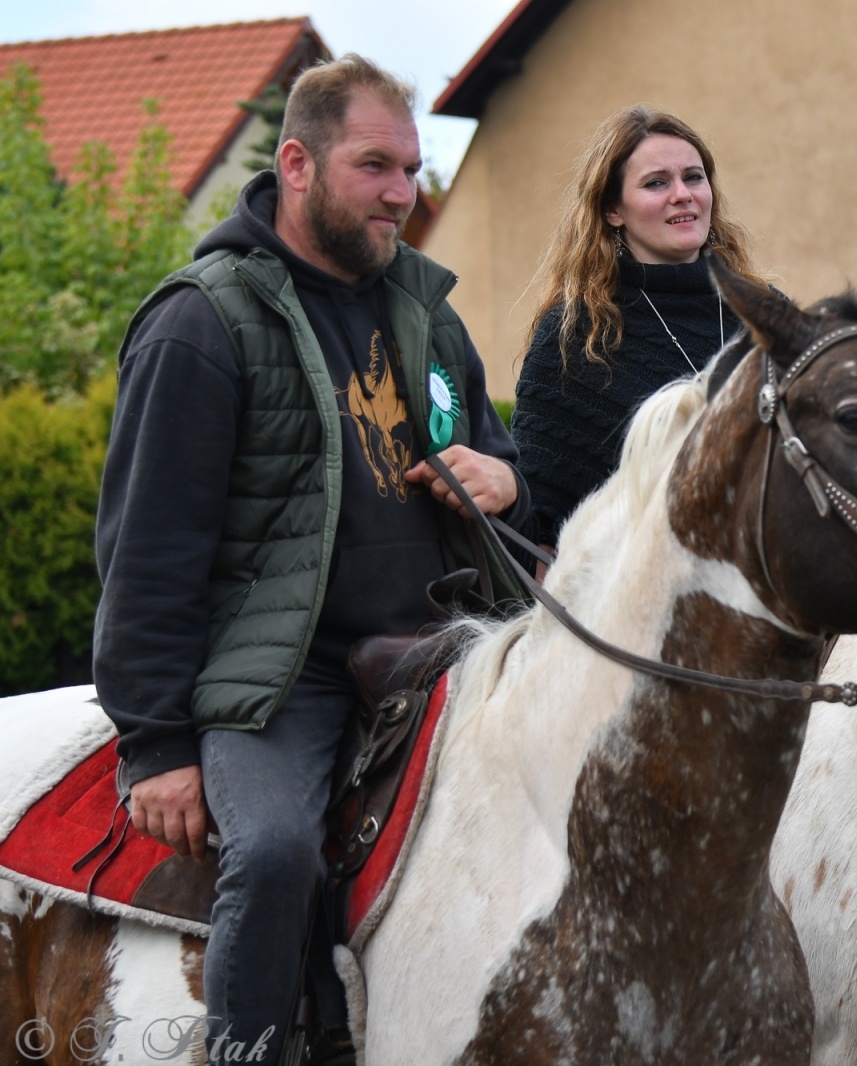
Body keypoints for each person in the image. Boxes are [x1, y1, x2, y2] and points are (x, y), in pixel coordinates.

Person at [93, 55, 528, 1063]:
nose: (401, 193)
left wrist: (503, 479)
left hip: (447, 654)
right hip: (285, 680)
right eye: (375, 166)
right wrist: (156, 747)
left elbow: (501, 464)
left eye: (412, 169)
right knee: (277, 853)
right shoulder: (201, 322)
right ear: (296, 164)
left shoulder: (428, 311)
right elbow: (146, 552)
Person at [511, 106, 765, 557]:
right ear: (613, 210)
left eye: (694, 177)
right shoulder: (576, 335)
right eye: (656, 183)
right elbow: (543, 527)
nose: (682, 195)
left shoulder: (764, 313)